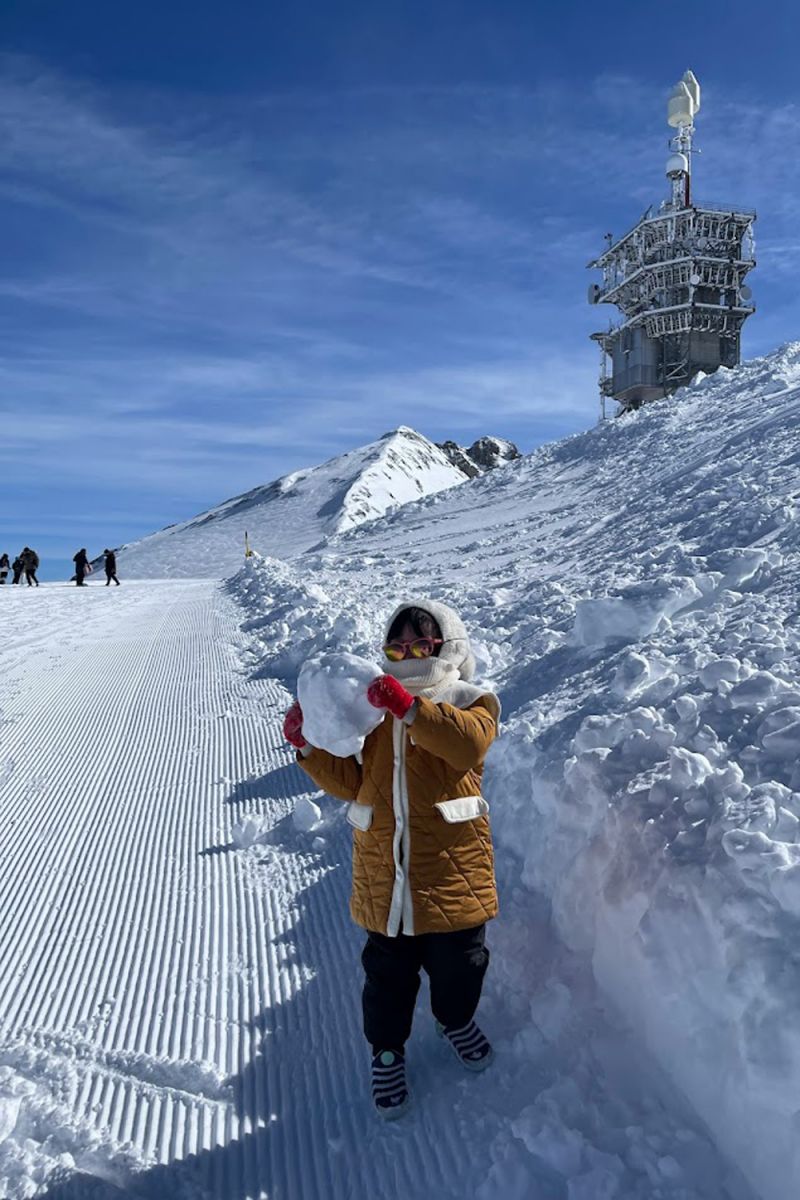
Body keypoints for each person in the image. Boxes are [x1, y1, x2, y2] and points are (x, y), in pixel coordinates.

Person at [283, 599, 499, 1120]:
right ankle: (386, 1052)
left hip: (452, 870)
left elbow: (467, 747)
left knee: (461, 965)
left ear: (447, 645)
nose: (408, 653)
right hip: (386, 873)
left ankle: (456, 1021)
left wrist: (409, 708)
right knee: (387, 978)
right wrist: (309, 748)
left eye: (421, 643)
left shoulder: (472, 700)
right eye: (397, 646)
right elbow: (357, 786)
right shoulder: (373, 712)